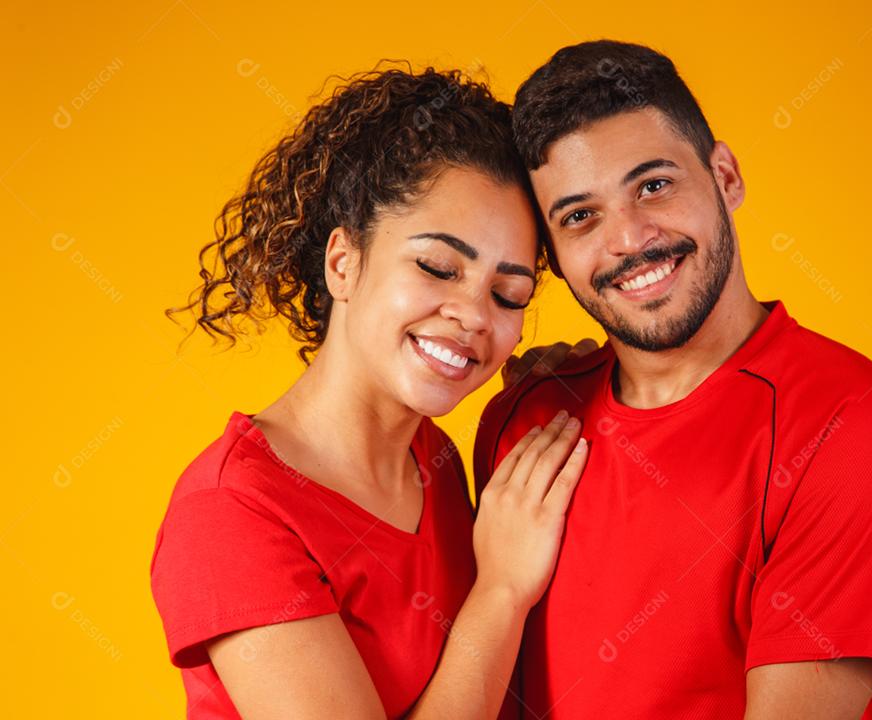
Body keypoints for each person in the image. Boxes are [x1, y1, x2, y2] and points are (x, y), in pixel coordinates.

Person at [476, 40, 872, 719]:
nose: (630, 239)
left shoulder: (847, 423)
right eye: (580, 216)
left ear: (725, 176)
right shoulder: (523, 419)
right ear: (552, 255)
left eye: (654, 185)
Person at [151, 65, 588, 719]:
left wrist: (573, 399)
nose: (473, 316)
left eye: (508, 294)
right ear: (343, 262)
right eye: (437, 267)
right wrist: (500, 588)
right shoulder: (231, 511)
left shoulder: (436, 467)